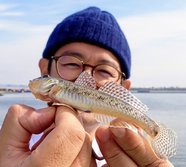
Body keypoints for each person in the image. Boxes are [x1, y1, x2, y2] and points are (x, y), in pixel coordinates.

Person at [0, 6, 174, 167]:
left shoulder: (138, 154)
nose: (86, 76)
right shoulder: (8, 149)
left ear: (124, 88)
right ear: (45, 69)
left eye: (105, 70)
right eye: (71, 63)